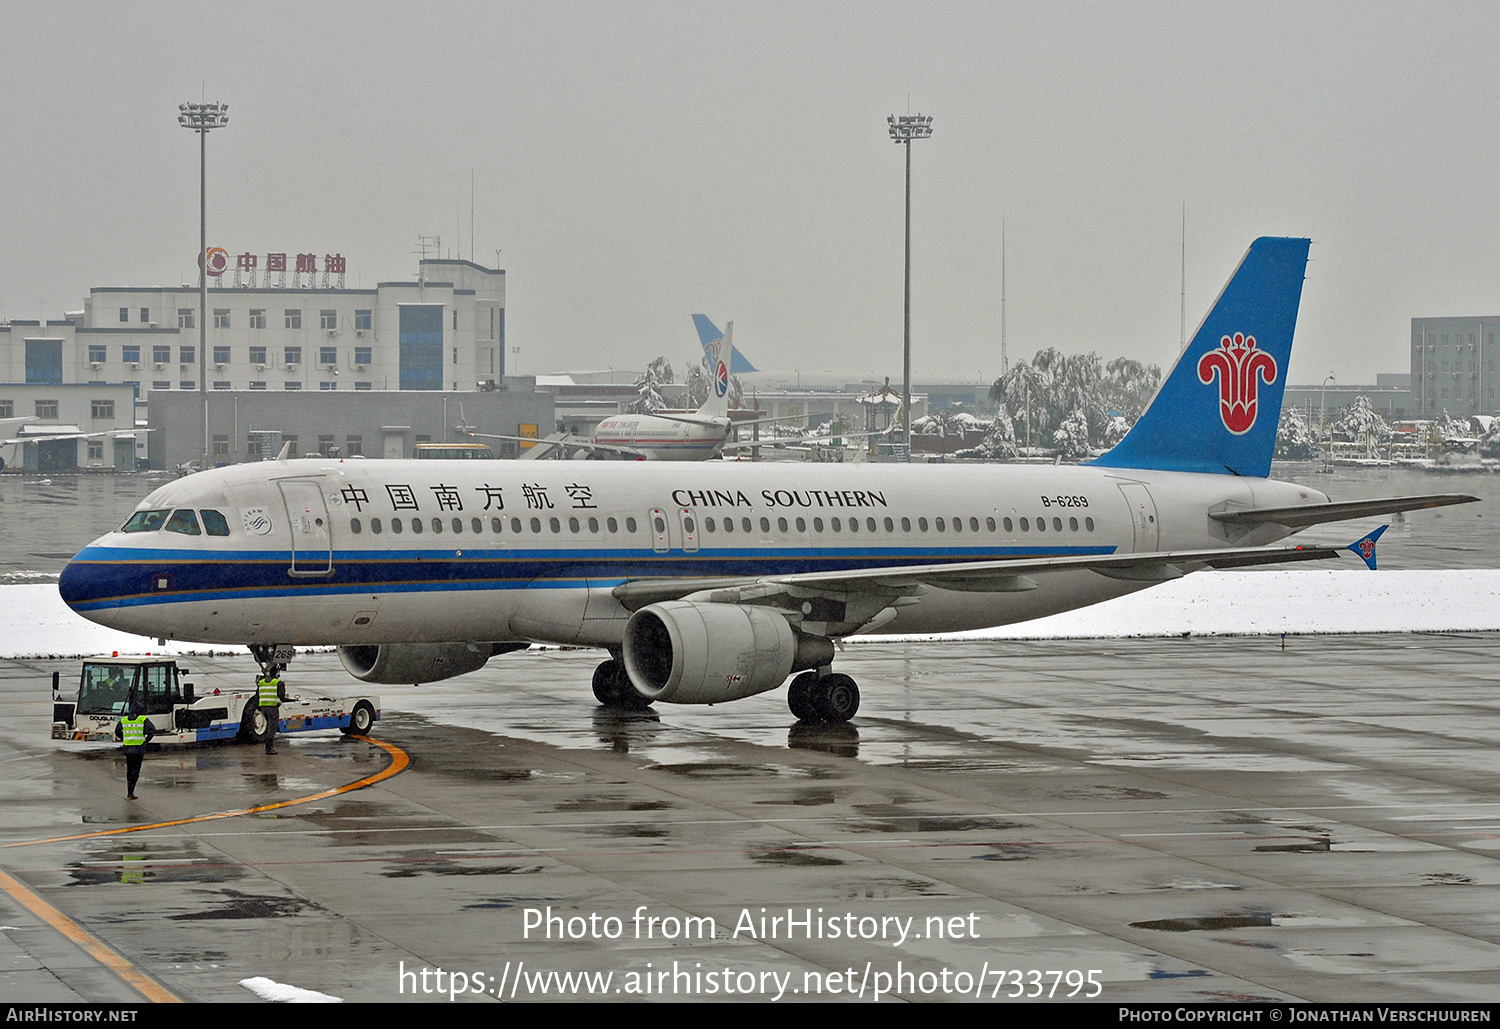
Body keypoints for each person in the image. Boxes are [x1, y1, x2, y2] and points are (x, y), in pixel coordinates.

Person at [114, 701, 157, 800]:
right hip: (138, 748)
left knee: (129, 770)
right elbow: (152, 730)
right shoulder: (143, 719)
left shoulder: (124, 720)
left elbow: (117, 731)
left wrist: (124, 738)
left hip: (128, 748)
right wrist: (146, 740)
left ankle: (129, 791)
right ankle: (131, 792)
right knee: (136, 770)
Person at [257, 667, 288, 754]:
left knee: (268, 727)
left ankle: (268, 746)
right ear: (277, 674)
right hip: (272, 707)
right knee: (272, 728)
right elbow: (281, 696)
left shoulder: (261, 682)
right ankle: (269, 748)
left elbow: (257, 695)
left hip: (263, 708)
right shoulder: (277, 683)